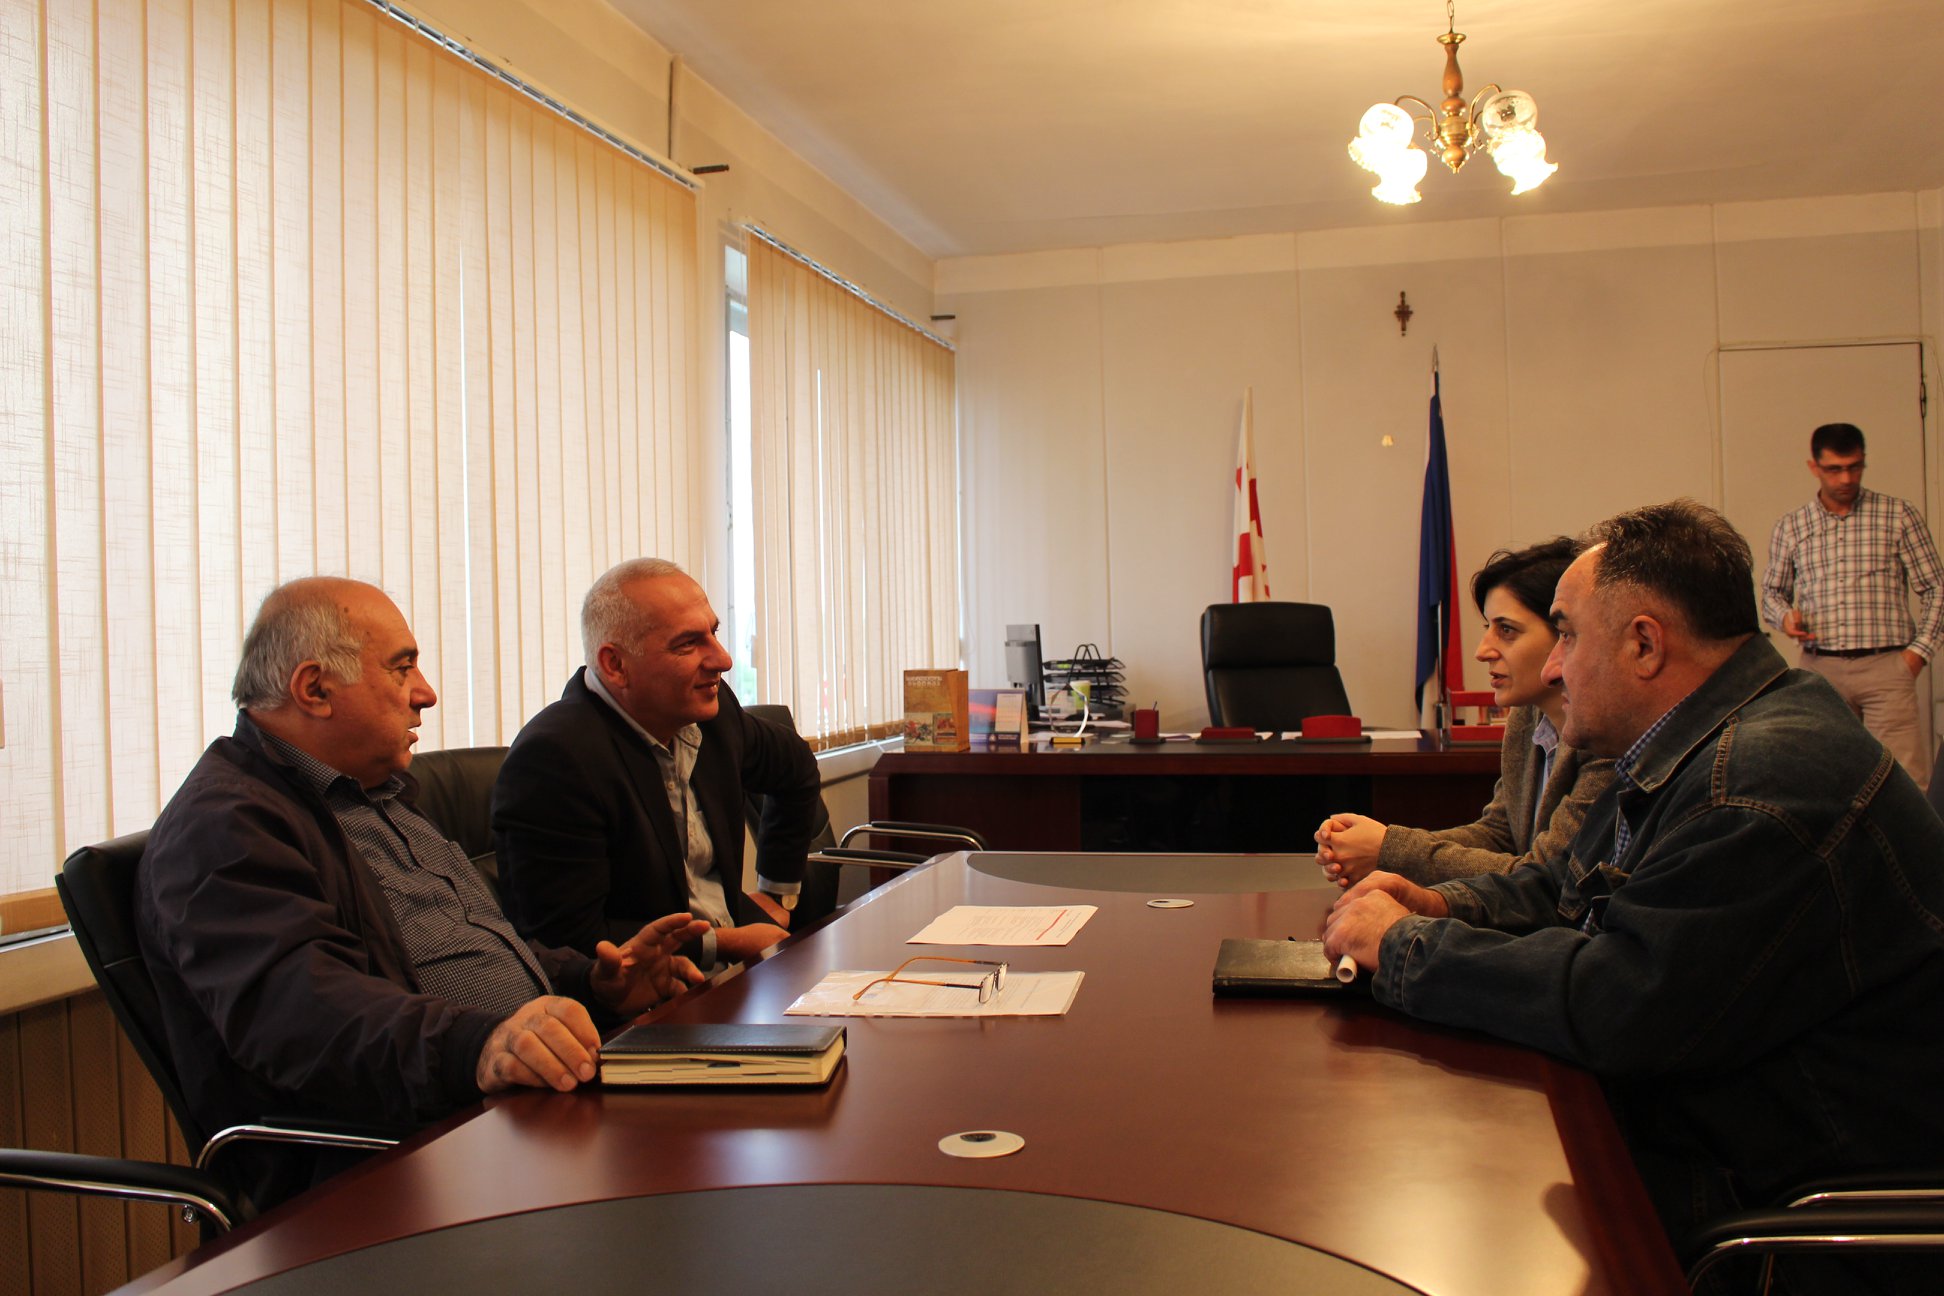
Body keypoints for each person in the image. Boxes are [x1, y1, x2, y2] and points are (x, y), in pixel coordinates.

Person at [1323, 501, 1944, 1294]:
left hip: (1786, 1216)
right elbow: (1563, 886)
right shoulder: (1694, 745)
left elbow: (1621, 1002)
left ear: (1645, 644)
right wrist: (1444, 907)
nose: (1553, 668)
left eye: (1567, 636)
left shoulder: (1759, 784)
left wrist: (1406, 946)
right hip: (1722, 1134)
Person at [139, 578, 709, 1208]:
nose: (426, 693)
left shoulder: (376, 795)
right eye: (401, 667)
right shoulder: (226, 826)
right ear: (314, 689)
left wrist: (596, 983)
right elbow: (302, 1016)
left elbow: (468, 952)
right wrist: (480, 1046)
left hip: (513, 1120)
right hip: (388, 1167)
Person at [494, 558, 820, 969]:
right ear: (615, 665)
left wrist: (778, 892)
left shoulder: (712, 713)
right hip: (650, 994)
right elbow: (567, 943)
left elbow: (796, 768)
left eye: (714, 633)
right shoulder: (553, 759)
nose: (722, 659)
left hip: (740, 964)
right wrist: (723, 943)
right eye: (688, 644)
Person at [1313, 537, 1613, 886]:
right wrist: (1378, 847)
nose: (1482, 651)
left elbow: (1548, 876)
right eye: (1489, 628)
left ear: (1565, 634)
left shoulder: (1609, 737)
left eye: (1507, 630)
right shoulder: (1526, 717)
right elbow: (1500, 834)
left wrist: (1388, 850)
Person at [1761, 421, 1943, 790]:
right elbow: (1771, 593)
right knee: (1823, 778)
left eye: (1854, 467)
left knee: (1905, 784)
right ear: (1814, 467)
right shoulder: (1792, 526)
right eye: (1834, 469)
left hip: (1887, 667)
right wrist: (1785, 618)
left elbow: (1936, 587)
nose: (1845, 478)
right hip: (1821, 669)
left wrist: (1917, 655)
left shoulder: (1898, 515)